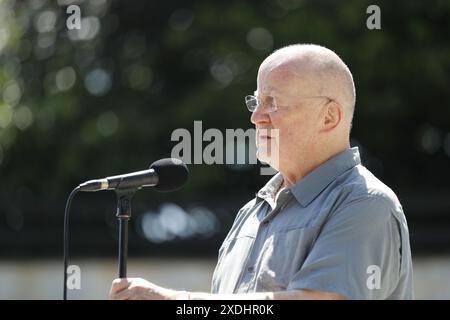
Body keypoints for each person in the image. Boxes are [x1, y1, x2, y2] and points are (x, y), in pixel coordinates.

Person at [109, 44, 413, 300]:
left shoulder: (366, 204)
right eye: (256, 101)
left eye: (273, 102)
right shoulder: (251, 212)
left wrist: (178, 301)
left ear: (329, 116)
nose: (256, 117)